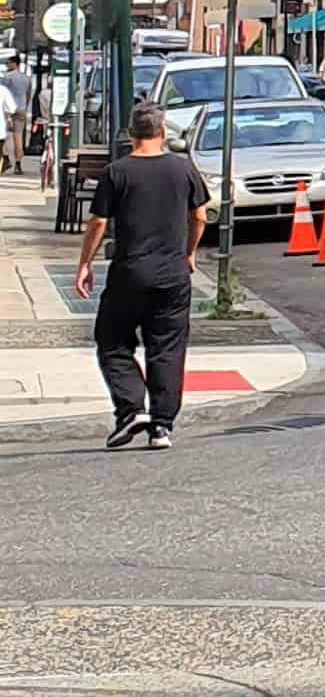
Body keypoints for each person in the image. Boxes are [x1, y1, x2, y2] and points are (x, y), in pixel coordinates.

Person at [73, 99, 209, 449]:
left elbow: (98, 222)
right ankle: (162, 425)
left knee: (112, 341)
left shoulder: (117, 172)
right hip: (173, 274)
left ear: (131, 134)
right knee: (167, 347)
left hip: (129, 272)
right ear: (162, 133)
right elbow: (200, 217)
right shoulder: (183, 170)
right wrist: (189, 253)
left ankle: (131, 407)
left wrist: (85, 263)